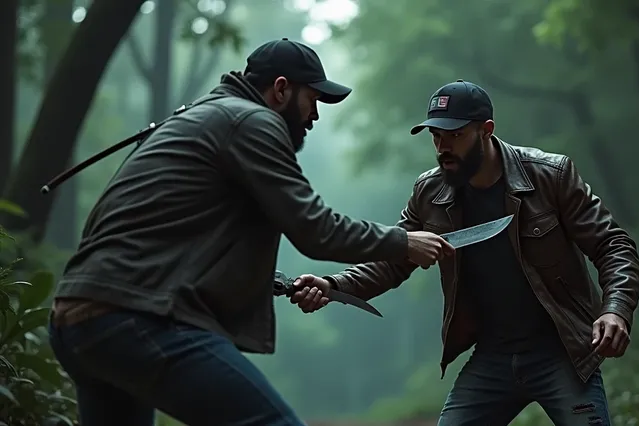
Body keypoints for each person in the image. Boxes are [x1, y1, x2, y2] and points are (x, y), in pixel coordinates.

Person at [47, 38, 453, 426]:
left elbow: (170, 238)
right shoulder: (253, 121)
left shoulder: (197, 120)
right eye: (313, 99)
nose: (314, 115)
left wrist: (276, 282)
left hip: (78, 317)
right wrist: (403, 242)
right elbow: (314, 228)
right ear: (281, 90)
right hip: (137, 317)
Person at [290, 79, 639, 426]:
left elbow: (613, 245)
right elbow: (393, 261)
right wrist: (332, 285)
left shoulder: (550, 175)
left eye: (455, 135)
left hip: (562, 353)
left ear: (486, 130)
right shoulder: (430, 192)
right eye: (436, 137)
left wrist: (615, 312)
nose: (443, 147)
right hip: (492, 358)